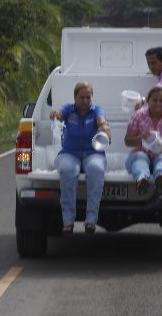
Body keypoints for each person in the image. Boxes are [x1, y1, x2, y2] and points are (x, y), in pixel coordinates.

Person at [49, 82, 111, 234]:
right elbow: (60, 113)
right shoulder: (68, 109)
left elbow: (101, 119)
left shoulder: (96, 110)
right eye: (81, 97)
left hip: (93, 153)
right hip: (70, 153)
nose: (85, 100)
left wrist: (104, 126)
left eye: (88, 97)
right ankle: (68, 221)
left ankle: (91, 220)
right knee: (69, 170)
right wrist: (56, 114)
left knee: (96, 170)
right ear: (75, 97)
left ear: (92, 98)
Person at [124, 86, 162, 196]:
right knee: (140, 157)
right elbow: (127, 141)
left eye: (161, 100)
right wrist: (140, 137)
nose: (158, 103)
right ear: (148, 101)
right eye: (155, 100)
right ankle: (141, 181)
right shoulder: (139, 115)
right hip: (140, 153)